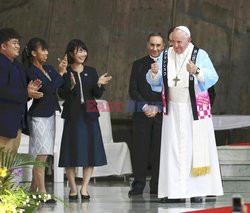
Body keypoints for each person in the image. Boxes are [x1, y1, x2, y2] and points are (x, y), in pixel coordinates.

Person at [148, 26, 223, 203]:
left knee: (194, 149)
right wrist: (154, 73)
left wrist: (196, 71)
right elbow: (155, 82)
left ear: (188, 40)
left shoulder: (200, 54)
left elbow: (213, 77)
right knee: (172, 150)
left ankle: (197, 190)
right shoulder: (165, 55)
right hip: (173, 109)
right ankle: (174, 192)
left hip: (194, 108)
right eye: (173, 41)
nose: (175, 45)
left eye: (179, 42)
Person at [58, 39, 112, 201]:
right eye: (78, 51)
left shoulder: (91, 70)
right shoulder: (65, 71)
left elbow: (96, 94)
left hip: (90, 115)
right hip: (73, 116)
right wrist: (71, 86)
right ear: (71, 53)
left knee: (90, 151)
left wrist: (99, 84)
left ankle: (85, 188)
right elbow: (61, 94)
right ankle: (73, 188)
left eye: (84, 50)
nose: (82, 54)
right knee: (71, 152)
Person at [22, 37, 67, 201]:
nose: (47, 53)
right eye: (43, 49)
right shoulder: (30, 71)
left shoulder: (48, 68)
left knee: (44, 153)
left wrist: (61, 72)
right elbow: (49, 88)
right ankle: (41, 191)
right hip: (39, 116)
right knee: (41, 154)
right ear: (34, 53)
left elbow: (59, 85)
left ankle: (32, 190)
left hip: (50, 114)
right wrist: (60, 73)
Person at [128, 33, 164, 196]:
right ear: (147, 45)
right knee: (139, 150)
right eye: (152, 45)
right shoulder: (138, 64)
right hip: (141, 114)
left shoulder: (168, 65)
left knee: (159, 151)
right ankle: (138, 184)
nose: (155, 48)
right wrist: (145, 106)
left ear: (163, 46)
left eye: (158, 45)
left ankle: (156, 185)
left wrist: (158, 107)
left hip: (162, 114)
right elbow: (133, 90)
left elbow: (170, 91)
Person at [0, 28, 42, 153]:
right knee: (2, 164)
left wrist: (29, 92)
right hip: (3, 124)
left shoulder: (18, 66)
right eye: (14, 43)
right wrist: (26, 93)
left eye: (18, 43)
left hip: (16, 123)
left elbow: (21, 94)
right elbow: (2, 90)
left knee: (10, 164)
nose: (18, 46)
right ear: (3, 46)